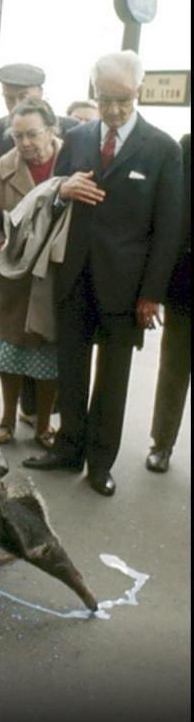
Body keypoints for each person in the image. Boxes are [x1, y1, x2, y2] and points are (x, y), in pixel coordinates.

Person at [23, 50, 183, 497]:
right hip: (73, 274)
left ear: (139, 93)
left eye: (123, 100)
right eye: (105, 98)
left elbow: (169, 229)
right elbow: (48, 199)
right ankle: (68, 449)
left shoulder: (162, 148)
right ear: (94, 91)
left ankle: (100, 462)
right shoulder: (77, 137)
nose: (113, 110)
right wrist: (62, 190)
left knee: (113, 379)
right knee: (70, 369)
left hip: (128, 288)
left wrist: (152, 293)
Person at [0, 98, 62, 449]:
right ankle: (7, 420)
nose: (26, 144)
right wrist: (0, 247)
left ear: (51, 130)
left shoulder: (72, 162)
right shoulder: (0, 171)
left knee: (50, 351)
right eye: (17, 136)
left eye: (33, 134)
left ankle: (44, 425)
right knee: (10, 349)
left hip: (55, 276)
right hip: (14, 277)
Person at [146, 132, 190, 473]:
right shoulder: (186, 147)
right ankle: (162, 444)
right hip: (187, 282)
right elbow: (173, 211)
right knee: (175, 367)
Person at [0, 63, 78, 165]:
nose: (16, 105)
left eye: (23, 96)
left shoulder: (72, 130)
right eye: (9, 99)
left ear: (40, 93)